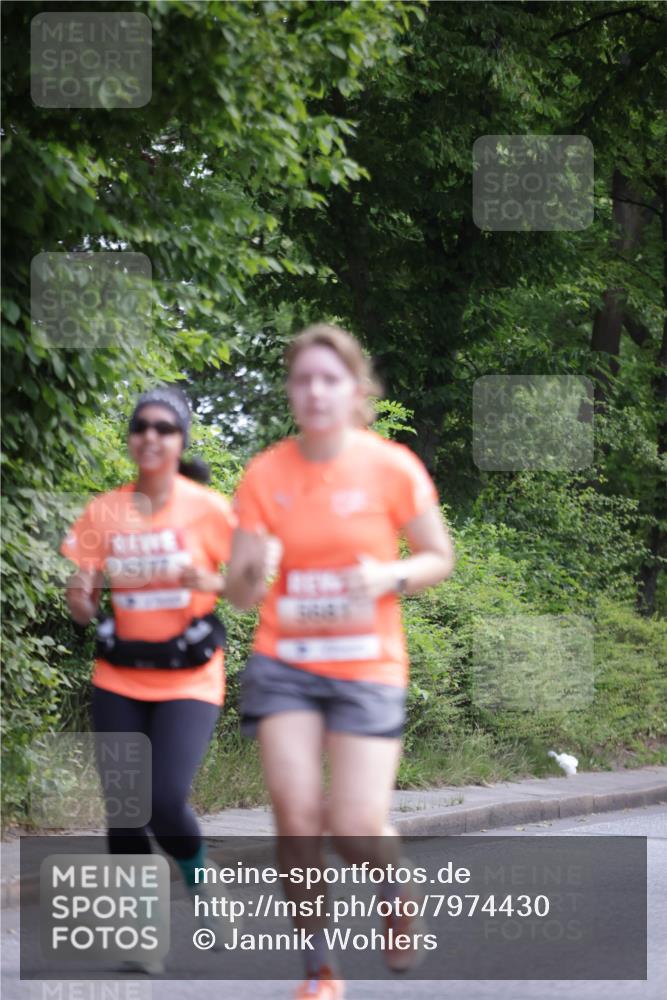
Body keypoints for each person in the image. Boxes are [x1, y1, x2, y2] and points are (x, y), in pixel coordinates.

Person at [226, 324, 456, 999]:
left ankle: (393, 884)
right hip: (285, 661)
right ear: (291, 393)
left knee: (355, 825)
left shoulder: (391, 467)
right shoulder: (265, 474)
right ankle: (320, 971)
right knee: (295, 815)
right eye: (302, 380)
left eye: (329, 379)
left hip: (366, 663)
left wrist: (388, 576)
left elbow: (438, 558)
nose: (315, 391)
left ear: (356, 390)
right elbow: (240, 595)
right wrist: (248, 567)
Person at [61, 386, 236, 974]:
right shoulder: (104, 511)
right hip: (120, 674)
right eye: (142, 427)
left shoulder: (207, 509)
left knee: (164, 799)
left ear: (181, 438)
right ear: (132, 439)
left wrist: (203, 579)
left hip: (189, 676)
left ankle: (201, 882)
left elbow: (251, 586)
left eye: (165, 427)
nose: (152, 436)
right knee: (126, 808)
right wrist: (82, 597)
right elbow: (80, 598)